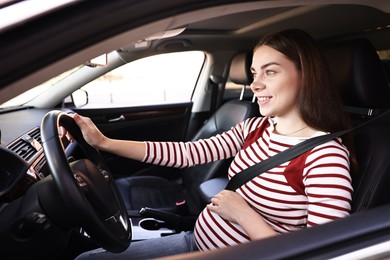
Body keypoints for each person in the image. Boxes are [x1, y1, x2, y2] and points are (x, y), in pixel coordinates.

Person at [73, 28, 354, 259]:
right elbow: (187, 153)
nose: (255, 85)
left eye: (270, 72)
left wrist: (244, 215)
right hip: (196, 240)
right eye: (254, 73)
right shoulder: (256, 128)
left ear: (305, 76)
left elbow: (323, 253)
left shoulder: (324, 156)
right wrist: (104, 142)